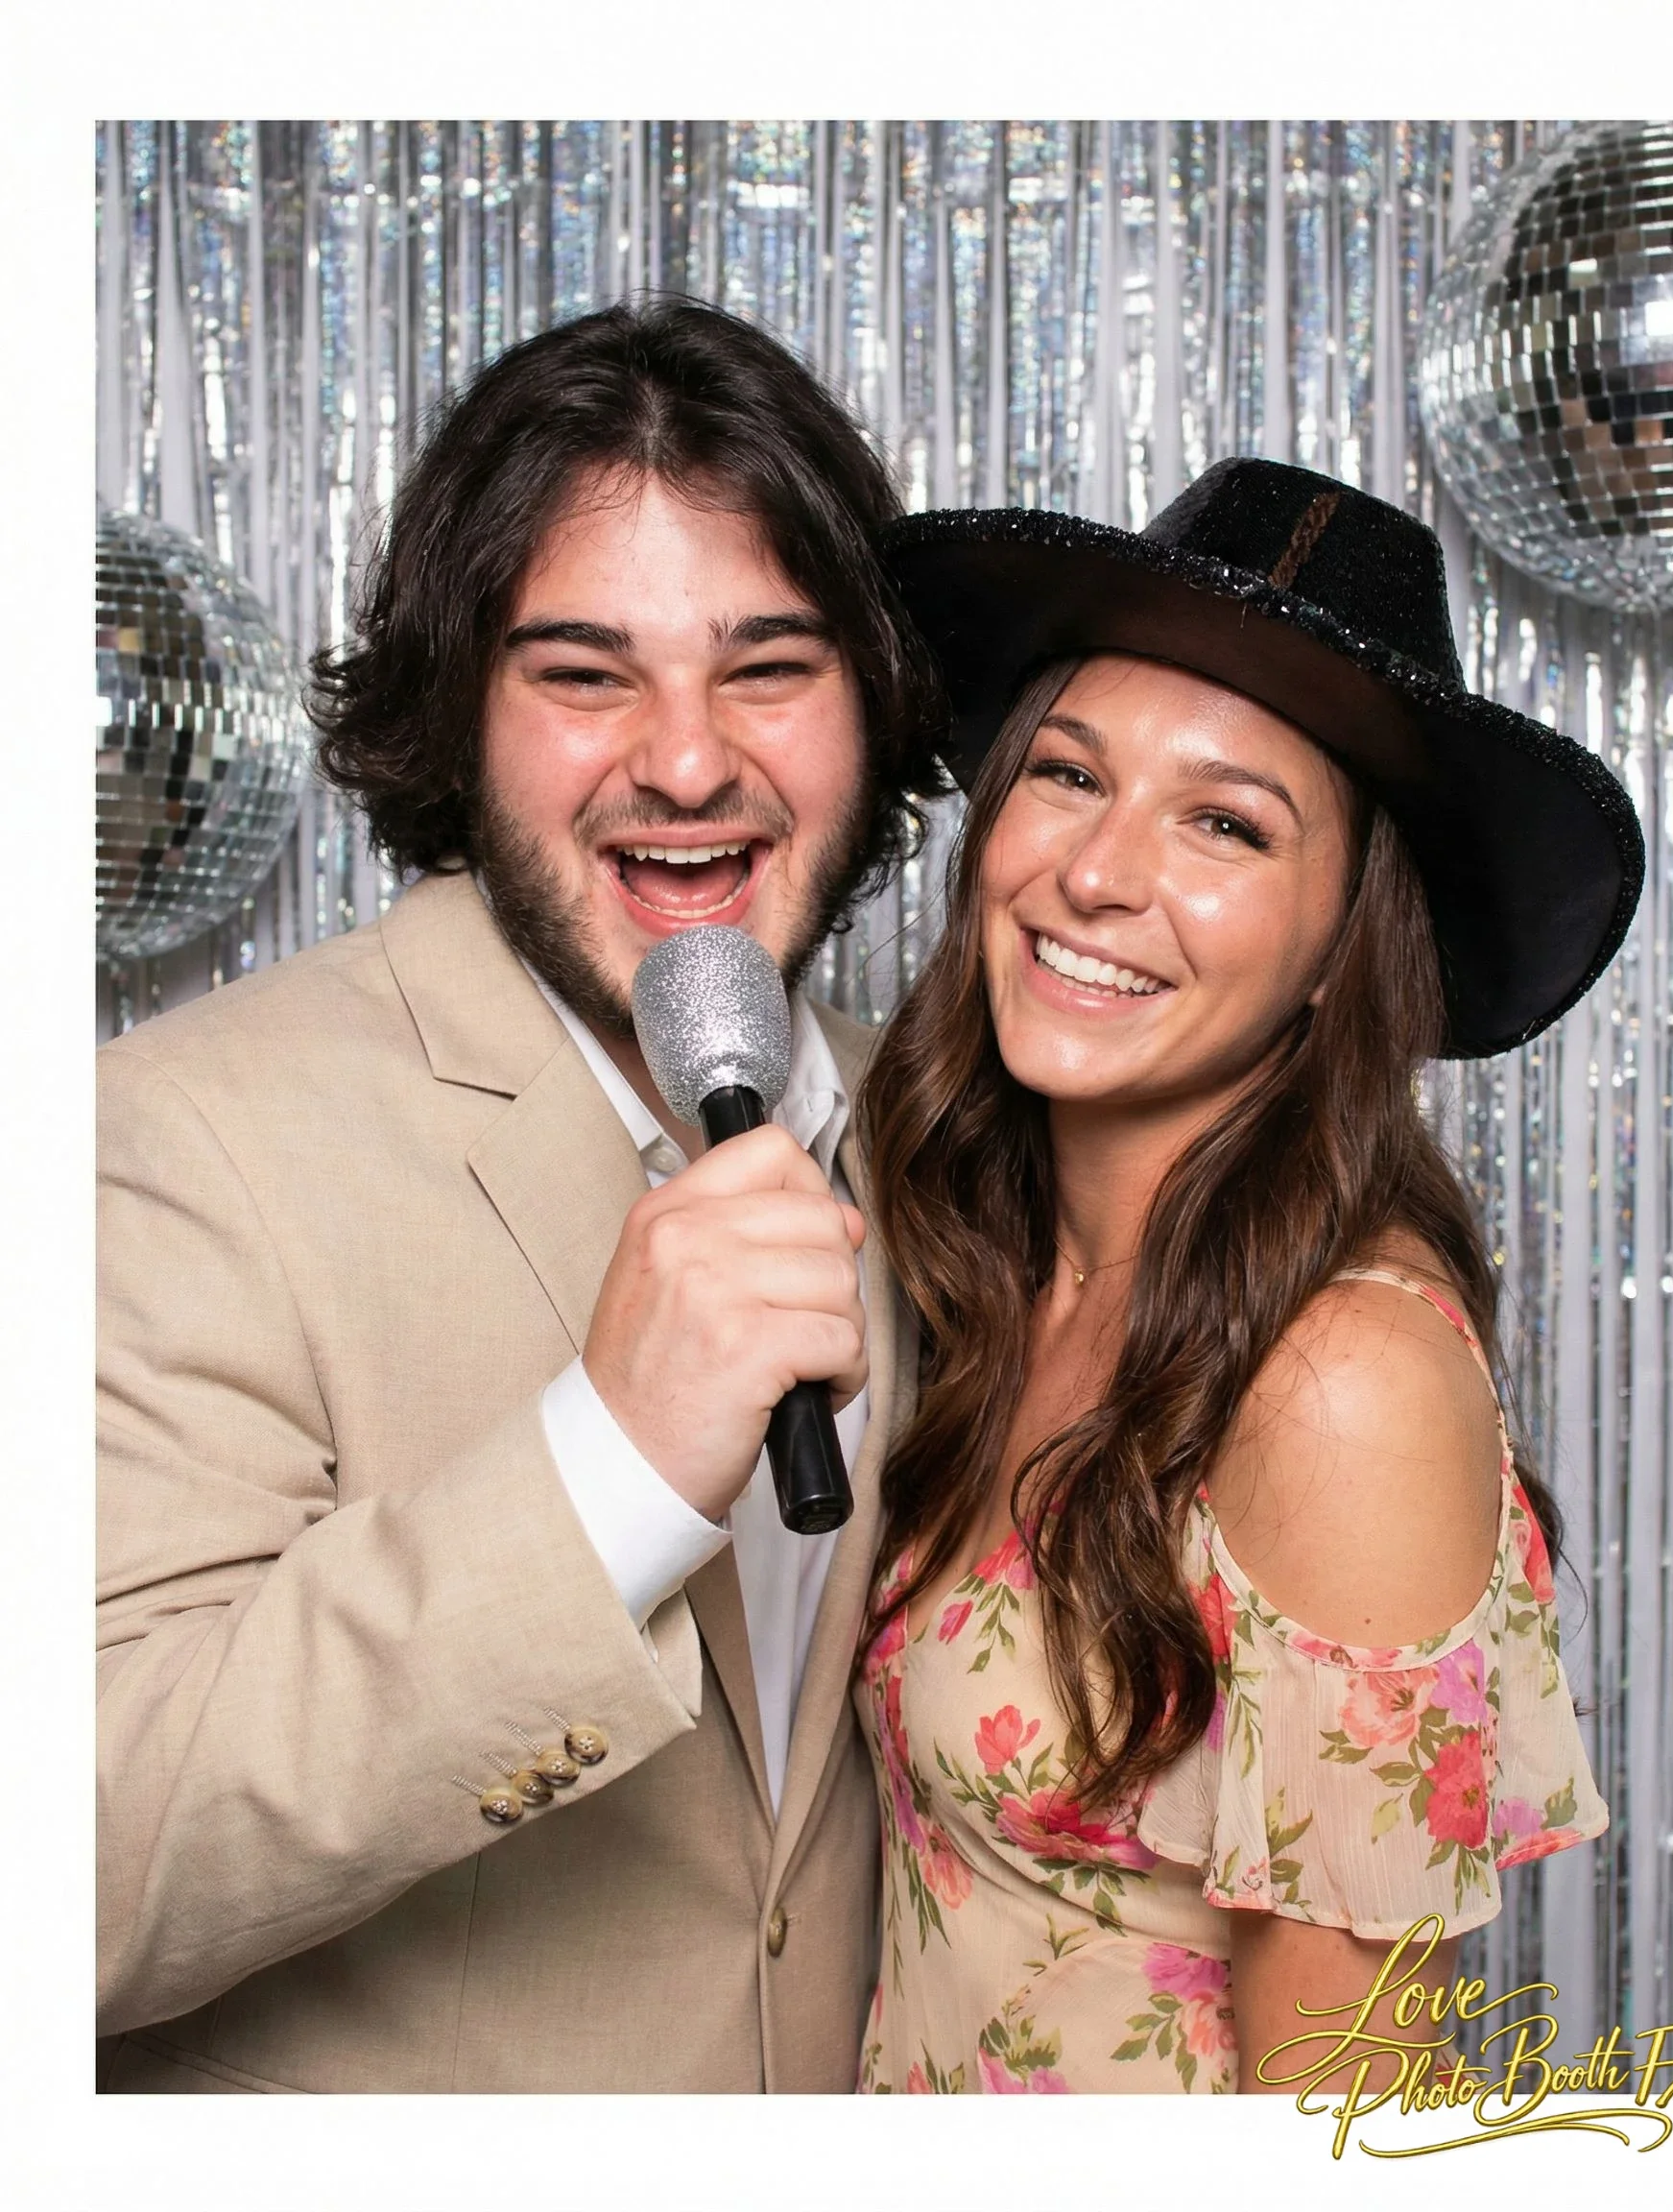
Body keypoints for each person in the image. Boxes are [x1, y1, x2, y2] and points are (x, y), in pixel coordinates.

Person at [96, 299, 948, 2093]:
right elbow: (81, 1875)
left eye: (768, 669)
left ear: (872, 707)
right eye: (583, 674)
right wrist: (608, 1469)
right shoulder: (181, 1137)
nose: (688, 761)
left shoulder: (944, 1129)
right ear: (460, 715)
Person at [848, 458, 1640, 2094]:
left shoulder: (1341, 1386)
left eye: (1224, 822)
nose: (1097, 873)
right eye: (1069, 773)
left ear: (1345, 938)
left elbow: (1347, 2119)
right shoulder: (992, 1275)